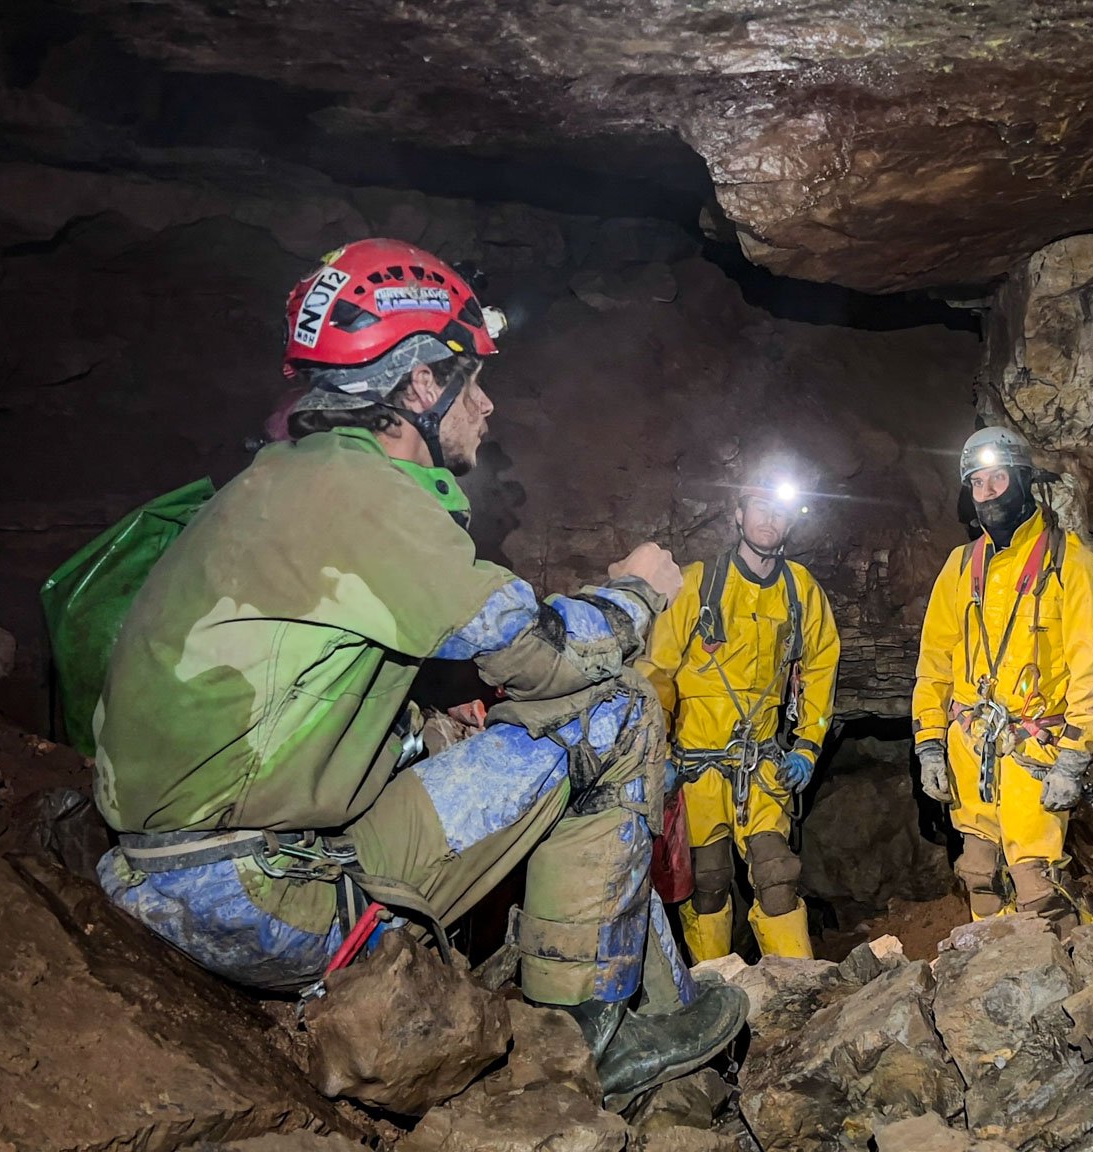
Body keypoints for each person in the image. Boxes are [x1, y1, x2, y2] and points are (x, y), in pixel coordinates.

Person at [89, 238, 745, 1102]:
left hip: (164, 868)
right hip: (260, 894)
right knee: (612, 709)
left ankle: (602, 994)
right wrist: (636, 595)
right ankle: (591, 1039)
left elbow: (305, 675)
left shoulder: (279, 480)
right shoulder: (373, 498)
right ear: (420, 385)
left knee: (453, 721)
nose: (489, 402)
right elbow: (537, 652)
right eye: (470, 378)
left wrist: (435, 707)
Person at [912, 428, 1093, 930]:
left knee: (1035, 886)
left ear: (1023, 481)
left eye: (997, 479)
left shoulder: (1076, 565)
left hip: (1036, 748)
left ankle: (1059, 980)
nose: (987, 495)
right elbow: (934, 662)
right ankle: (987, 979)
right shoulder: (960, 568)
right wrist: (928, 744)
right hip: (971, 744)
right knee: (979, 873)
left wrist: (1074, 759)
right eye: (976, 485)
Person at [641, 463, 840, 961]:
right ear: (738, 513)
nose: (769, 518)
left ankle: (797, 985)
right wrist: (655, 751)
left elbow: (821, 665)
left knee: (777, 874)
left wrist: (810, 745)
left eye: (779, 510)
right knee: (707, 881)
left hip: (764, 764)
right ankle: (714, 987)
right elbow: (657, 672)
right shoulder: (697, 585)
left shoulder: (801, 590)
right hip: (697, 767)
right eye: (760, 506)